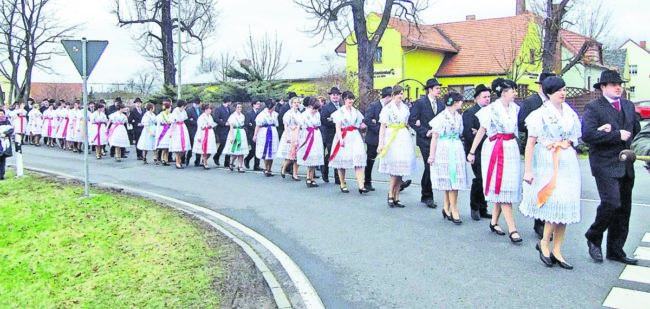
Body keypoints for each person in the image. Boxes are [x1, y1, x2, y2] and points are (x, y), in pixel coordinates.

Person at [520, 76, 581, 269]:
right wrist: (528, 170)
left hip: (566, 160)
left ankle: (558, 248)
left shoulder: (569, 112)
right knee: (554, 201)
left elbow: (574, 136)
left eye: (564, 89)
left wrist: (567, 143)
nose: (562, 93)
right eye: (557, 91)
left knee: (566, 204)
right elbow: (531, 143)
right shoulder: (539, 114)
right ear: (548, 94)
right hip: (547, 160)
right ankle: (545, 241)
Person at [582, 70, 641, 265]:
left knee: (623, 209)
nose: (618, 87)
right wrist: (616, 135)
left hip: (626, 164)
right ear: (603, 88)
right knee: (611, 202)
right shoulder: (593, 108)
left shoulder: (628, 105)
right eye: (613, 84)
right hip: (604, 164)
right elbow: (588, 136)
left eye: (620, 84)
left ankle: (616, 250)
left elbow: (638, 132)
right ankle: (594, 235)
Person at [467, 78, 523, 244]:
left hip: (510, 148)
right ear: (504, 92)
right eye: (513, 90)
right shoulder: (490, 110)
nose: (515, 94)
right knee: (502, 185)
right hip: (495, 148)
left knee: (506, 186)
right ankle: (512, 228)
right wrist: (471, 152)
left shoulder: (515, 108)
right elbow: (482, 131)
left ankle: (494, 222)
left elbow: (516, 130)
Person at [518, 72, 556, 238]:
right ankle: (539, 222)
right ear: (540, 86)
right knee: (540, 184)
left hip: (553, 150)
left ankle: (550, 220)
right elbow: (521, 124)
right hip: (538, 147)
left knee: (552, 184)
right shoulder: (531, 102)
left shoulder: (556, 103)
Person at [428, 92, 470, 224]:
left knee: (453, 178)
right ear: (454, 102)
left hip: (456, 147)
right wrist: (432, 155)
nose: (461, 103)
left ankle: (447, 207)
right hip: (445, 148)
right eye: (460, 101)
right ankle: (454, 209)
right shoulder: (441, 117)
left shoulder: (458, 117)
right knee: (450, 179)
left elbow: (460, 132)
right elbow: (435, 137)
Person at [378, 85, 418, 207]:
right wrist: (381, 143)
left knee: (401, 167)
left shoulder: (405, 108)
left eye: (402, 93)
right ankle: (390, 193)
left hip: (403, 136)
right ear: (393, 95)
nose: (401, 96)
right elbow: (383, 126)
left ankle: (396, 196)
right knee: (394, 168)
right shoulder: (387, 108)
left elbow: (406, 122)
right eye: (398, 94)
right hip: (392, 136)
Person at [409, 78, 445, 209]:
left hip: (437, 139)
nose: (439, 90)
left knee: (431, 167)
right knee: (429, 165)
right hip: (425, 140)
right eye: (437, 88)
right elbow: (412, 120)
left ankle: (425, 193)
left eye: (439, 88)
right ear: (430, 89)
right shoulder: (420, 103)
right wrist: (424, 131)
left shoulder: (441, 104)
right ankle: (428, 196)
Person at [462, 84, 493, 221]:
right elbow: (469, 134)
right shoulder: (470, 112)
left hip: (489, 149)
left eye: (489, 97)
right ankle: (474, 207)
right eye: (484, 97)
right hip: (476, 151)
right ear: (477, 98)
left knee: (486, 179)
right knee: (479, 178)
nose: (487, 99)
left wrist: (481, 133)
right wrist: (472, 152)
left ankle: (483, 207)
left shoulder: (491, 111)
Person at [329, 91, 369, 194]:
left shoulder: (356, 111)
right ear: (344, 100)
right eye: (348, 98)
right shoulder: (339, 112)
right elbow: (338, 127)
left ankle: (361, 185)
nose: (350, 100)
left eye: (352, 98)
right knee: (343, 160)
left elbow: (360, 124)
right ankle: (342, 183)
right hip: (344, 135)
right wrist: (340, 139)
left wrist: (364, 126)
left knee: (358, 159)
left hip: (355, 136)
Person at [363, 87, 392, 191]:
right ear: (388, 96)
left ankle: (399, 182)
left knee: (390, 159)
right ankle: (367, 181)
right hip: (373, 138)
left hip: (388, 138)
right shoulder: (374, 106)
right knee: (370, 160)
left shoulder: (390, 107)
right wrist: (379, 128)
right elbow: (367, 120)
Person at [297, 97, 324, 187]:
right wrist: (297, 138)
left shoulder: (317, 114)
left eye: (317, 109)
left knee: (315, 156)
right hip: (307, 135)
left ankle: (311, 177)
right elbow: (299, 126)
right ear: (310, 106)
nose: (315, 110)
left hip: (316, 135)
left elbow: (318, 124)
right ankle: (308, 178)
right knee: (309, 155)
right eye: (314, 108)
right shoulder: (304, 115)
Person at [321, 87, 342, 184]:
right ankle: (325, 170)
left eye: (337, 95)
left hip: (341, 134)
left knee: (339, 154)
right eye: (333, 95)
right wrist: (335, 123)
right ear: (330, 96)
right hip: (330, 134)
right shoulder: (326, 107)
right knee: (331, 154)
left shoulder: (342, 106)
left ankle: (338, 177)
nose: (335, 96)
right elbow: (324, 121)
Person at [277, 97, 302, 180]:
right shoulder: (288, 113)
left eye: (298, 102)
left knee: (297, 156)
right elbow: (286, 125)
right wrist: (287, 136)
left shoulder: (299, 113)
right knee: (290, 155)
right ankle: (284, 168)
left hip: (298, 134)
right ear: (291, 104)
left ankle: (295, 174)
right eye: (295, 102)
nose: (296, 104)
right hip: (290, 134)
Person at [254, 99, 280, 177]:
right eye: (273, 105)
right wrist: (255, 135)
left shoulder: (275, 114)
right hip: (264, 132)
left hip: (273, 131)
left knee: (272, 150)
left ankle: (269, 169)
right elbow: (257, 125)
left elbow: (276, 124)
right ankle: (265, 168)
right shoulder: (262, 114)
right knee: (266, 149)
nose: (275, 106)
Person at [224, 103, 249, 172]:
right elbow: (231, 127)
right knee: (235, 150)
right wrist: (231, 137)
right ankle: (231, 162)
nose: (239, 109)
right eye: (238, 107)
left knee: (241, 151)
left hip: (241, 132)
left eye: (240, 107)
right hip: (235, 132)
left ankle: (240, 166)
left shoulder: (243, 116)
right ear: (235, 108)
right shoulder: (232, 116)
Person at [193, 103, 218, 169]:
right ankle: (205, 163)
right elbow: (199, 127)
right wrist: (198, 136)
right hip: (203, 133)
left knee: (210, 150)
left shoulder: (210, 116)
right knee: (204, 149)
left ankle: (204, 160)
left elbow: (212, 124)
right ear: (205, 110)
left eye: (210, 109)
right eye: (209, 109)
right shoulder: (201, 117)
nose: (210, 110)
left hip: (210, 133)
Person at [169, 100, 191, 169]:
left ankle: (179, 160)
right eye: (184, 106)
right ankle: (177, 162)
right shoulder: (175, 111)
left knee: (184, 147)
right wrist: (171, 132)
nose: (185, 107)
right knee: (178, 146)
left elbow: (184, 119)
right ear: (182, 106)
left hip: (183, 127)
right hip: (177, 128)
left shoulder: (184, 111)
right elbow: (172, 122)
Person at [213, 95, 232, 167]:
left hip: (228, 129)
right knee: (223, 144)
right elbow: (216, 119)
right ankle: (217, 156)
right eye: (230, 101)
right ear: (227, 101)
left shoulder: (229, 109)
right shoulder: (219, 109)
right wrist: (224, 123)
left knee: (229, 144)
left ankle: (227, 161)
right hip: (221, 129)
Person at [244, 98, 263, 171]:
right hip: (251, 133)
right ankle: (247, 158)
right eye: (257, 104)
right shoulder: (249, 113)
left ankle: (256, 165)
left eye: (259, 104)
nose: (258, 105)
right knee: (254, 148)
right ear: (253, 105)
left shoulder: (260, 113)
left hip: (258, 132)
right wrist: (252, 125)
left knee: (257, 149)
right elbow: (247, 123)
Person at [155, 101, 173, 166]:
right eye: (170, 108)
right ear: (167, 108)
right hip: (163, 130)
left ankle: (166, 159)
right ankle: (163, 159)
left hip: (168, 130)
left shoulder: (171, 115)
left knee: (167, 147)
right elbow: (158, 123)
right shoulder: (161, 115)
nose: (170, 109)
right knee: (164, 147)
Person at [185, 97, 202, 166]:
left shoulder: (201, 110)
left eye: (198, 104)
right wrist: (192, 121)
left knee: (199, 145)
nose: (197, 105)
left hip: (199, 130)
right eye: (196, 103)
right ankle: (187, 158)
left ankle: (197, 160)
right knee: (191, 144)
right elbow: (187, 120)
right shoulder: (189, 110)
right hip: (192, 129)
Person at [0, 110, 13, 180]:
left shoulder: (7, 122)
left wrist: (5, 133)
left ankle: (1, 175)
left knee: (3, 159)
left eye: (2, 114)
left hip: (5, 142)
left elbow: (11, 130)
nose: (1, 116)